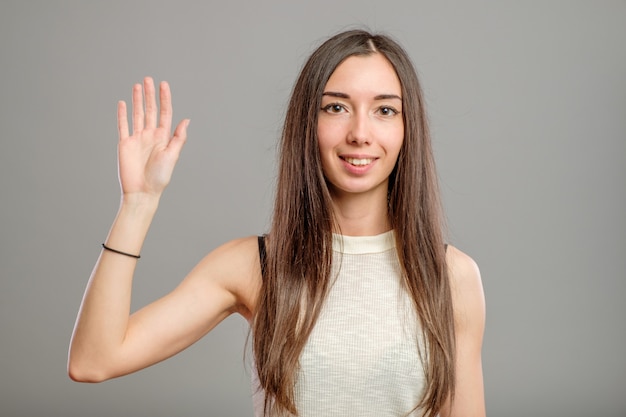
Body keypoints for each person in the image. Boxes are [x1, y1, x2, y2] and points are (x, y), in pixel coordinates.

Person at [68, 30, 486, 417]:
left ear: (406, 128)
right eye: (336, 107)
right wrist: (138, 204)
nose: (360, 132)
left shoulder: (451, 277)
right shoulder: (255, 264)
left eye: (384, 110)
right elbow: (94, 360)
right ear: (308, 122)